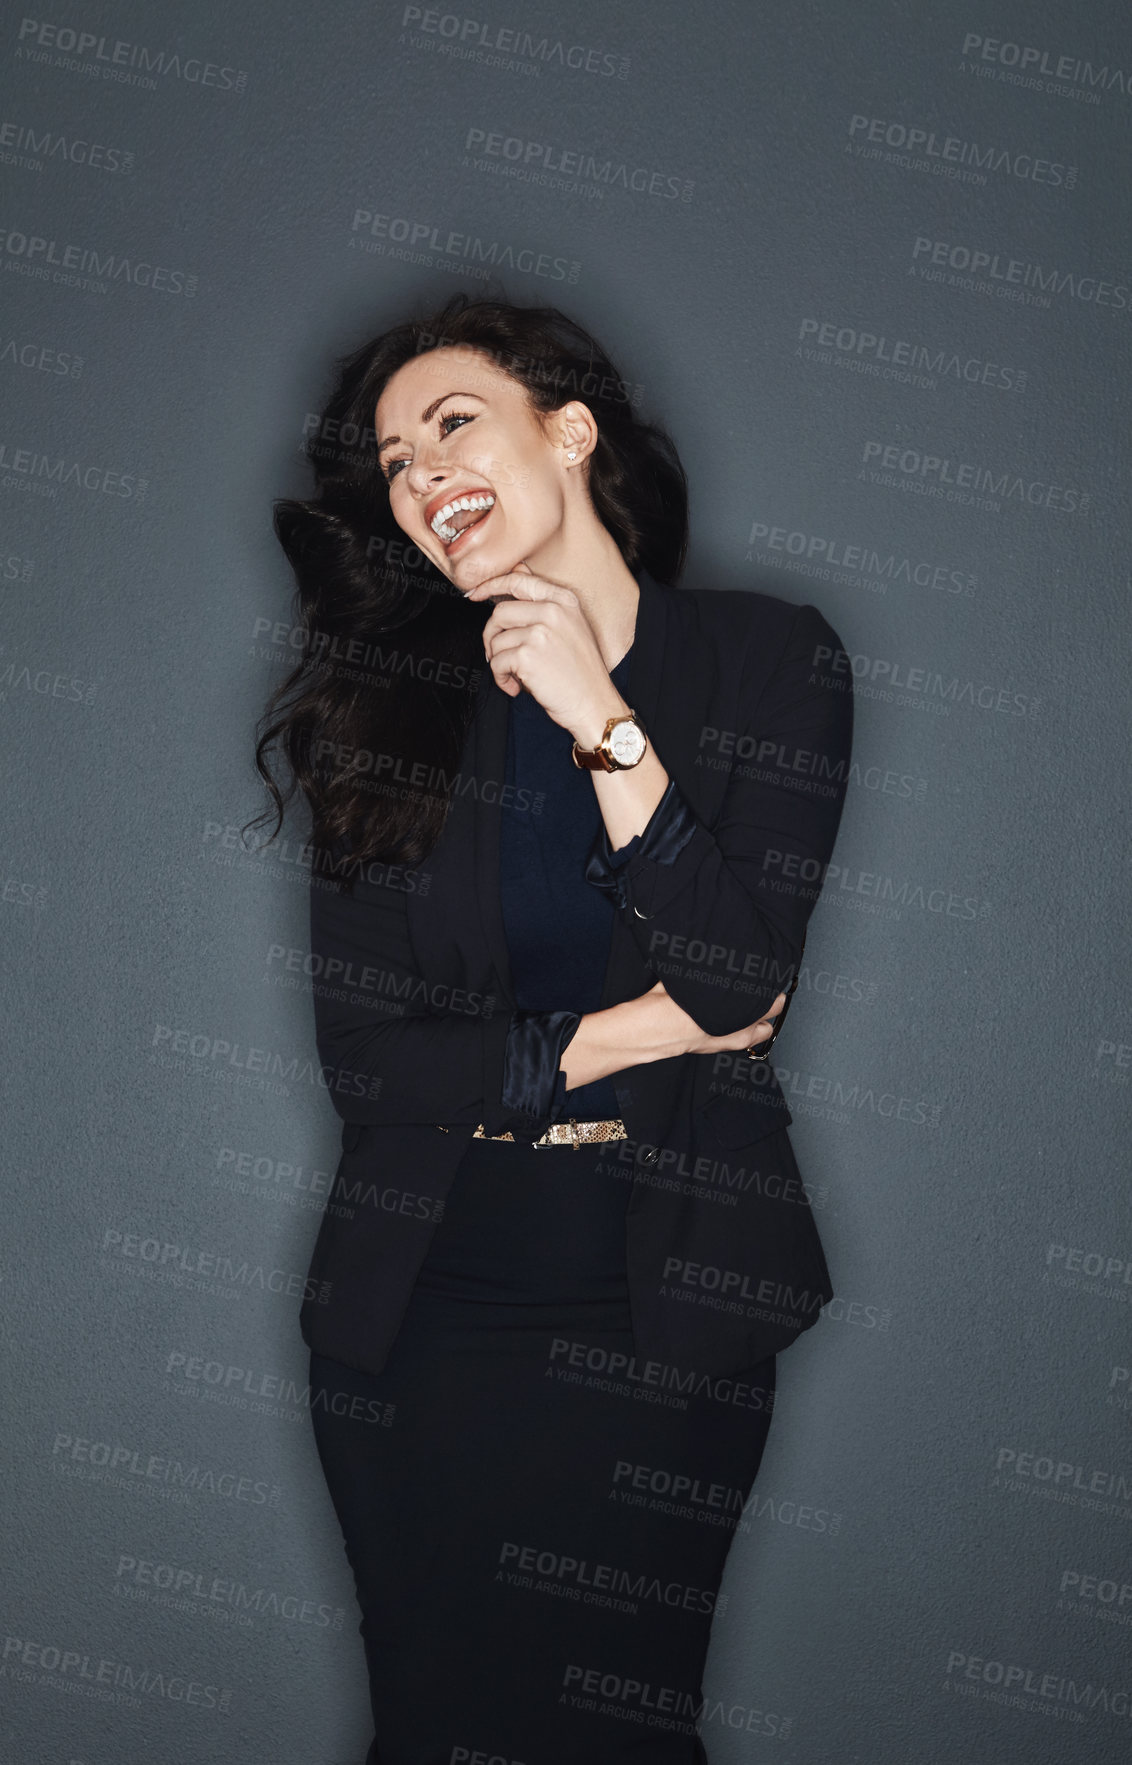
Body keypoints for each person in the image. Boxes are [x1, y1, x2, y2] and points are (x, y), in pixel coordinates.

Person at [251, 291, 854, 1764]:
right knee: (438, 1734)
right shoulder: (385, 710)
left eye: (450, 422)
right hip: (424, 1315)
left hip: (669, 1308)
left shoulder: (771, 663)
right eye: (392, 461)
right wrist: (636, 1029)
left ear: (569, 430)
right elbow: (375, 1068)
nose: (418, 474)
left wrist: (597, 712)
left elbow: (735, 966)